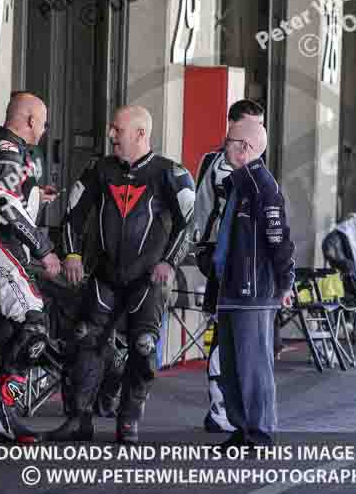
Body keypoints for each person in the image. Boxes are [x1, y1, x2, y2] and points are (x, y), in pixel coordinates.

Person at [51, 105, 195, 443]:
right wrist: (71, 254)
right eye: (111, 129)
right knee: (86, 340)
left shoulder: (171, 174)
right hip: (103, 277)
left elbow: (190, 224)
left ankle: (128, 418)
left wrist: (169, 262)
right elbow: (72, 215)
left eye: (117, 129)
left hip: (148, 280)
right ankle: (79, 419)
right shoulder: (98, 169)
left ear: (140, 134)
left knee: (143, 345)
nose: (111, 135)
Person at [0, 92, 62, 442]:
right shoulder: (6, 147)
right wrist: (44, 249)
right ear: (30, 119)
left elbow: (0, 196)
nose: (45, 130)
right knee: (34, 325)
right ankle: (6, 412)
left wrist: (34, 194)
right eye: (43, 123)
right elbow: (5, 207)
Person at [215, 118, 294, 447]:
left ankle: (260, 432)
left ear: (245, 148)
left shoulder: (263, 186)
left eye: (230, 140)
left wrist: (286, 281)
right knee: (232, 367)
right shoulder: (238, 183)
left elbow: (279, 238)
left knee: (253, 366)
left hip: (254, 292)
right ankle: (241, 427)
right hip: (231, 290)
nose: (224, 144)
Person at [193, 99, 264, 433]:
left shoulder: (257, 164)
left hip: (247, 264)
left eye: (260, 126)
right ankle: (220, 408)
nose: (254, 134)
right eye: (248, 125)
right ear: (232, 125)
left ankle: (237, 409)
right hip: (220, 258)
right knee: (224, 333)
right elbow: (201, 210)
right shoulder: (216, 162)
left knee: (242, 336)